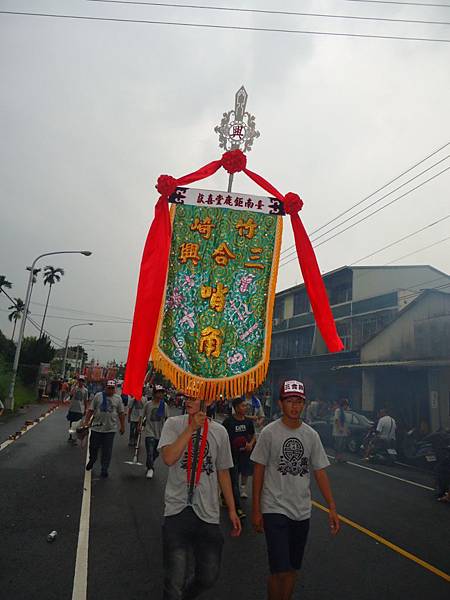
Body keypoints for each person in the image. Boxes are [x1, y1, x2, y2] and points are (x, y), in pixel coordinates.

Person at [251, 379, 340, 600]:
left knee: (291, 569)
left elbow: (319, 471)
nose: (295, 406)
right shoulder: (269, 433)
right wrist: (256, 509)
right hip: (274, 508)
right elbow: (259, 470)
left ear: (304, 404)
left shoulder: (311, 435)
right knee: (279, 569)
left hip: (301, 511)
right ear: (281, 403)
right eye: (290, 401)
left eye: (299, 401)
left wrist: (332, 506)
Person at [158, 395, 242, 600]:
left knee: (208, 575)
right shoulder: (173, 424)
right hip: (177, 509)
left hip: (208, 512)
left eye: (195, 398)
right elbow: (169, 458)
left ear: (209, 401)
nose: (188, 401)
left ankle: (187, 595)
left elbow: (223, 472)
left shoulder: (219, 431)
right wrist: (191, 428)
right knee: (174, 578)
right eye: (188, 397)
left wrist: (232, 509)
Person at [222, 396, 256, 517]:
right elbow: (223, 438)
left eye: (246, 405)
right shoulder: (228, 422)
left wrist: (250, 444)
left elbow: (253, 435)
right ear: (236, 408)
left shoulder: (248, 421)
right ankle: (237, 508)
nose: (245, 408)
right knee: (234, 481)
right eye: (243, 405)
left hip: (245, 455)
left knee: (244, 474)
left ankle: (224, 494)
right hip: (232, 456)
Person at [84, 380, 125, 478]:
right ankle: (92, 459)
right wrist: (86, 422)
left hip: (110, 429)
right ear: (105, 388)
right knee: (93, 447)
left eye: (112, 388)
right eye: (109, 388)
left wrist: (122, 426)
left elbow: (121, 413)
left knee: (107, 450)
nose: (110, 390)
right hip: (96, 428)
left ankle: (104, 469)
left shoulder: (118, 399)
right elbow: (91, 410)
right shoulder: (98, 396)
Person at [143, 384, 169, 479]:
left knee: (155, 453)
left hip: (160, 432)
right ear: (154, 393)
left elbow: (166, 419)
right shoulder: (148, 404)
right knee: (149, 450)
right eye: (158, 392)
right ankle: (150, 468)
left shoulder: (164, 405)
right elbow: (143, 416)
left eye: (162, 392)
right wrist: (139, 425)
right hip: (149, 431)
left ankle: (149, 463)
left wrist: (167, 432)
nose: (160, 394)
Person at [67, 375, 89, 444]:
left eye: (82, 381)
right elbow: (71, 394)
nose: (80, 382)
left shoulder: (85, 390)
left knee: (77, 425)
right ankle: (71, 437)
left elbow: (85, 401)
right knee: (71, 424)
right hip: (72, 409)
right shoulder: (74, 388)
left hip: (80, 410)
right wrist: (75, 386)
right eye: (79, 380)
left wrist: (85, 409)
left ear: (84, 382)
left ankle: (75, 438)